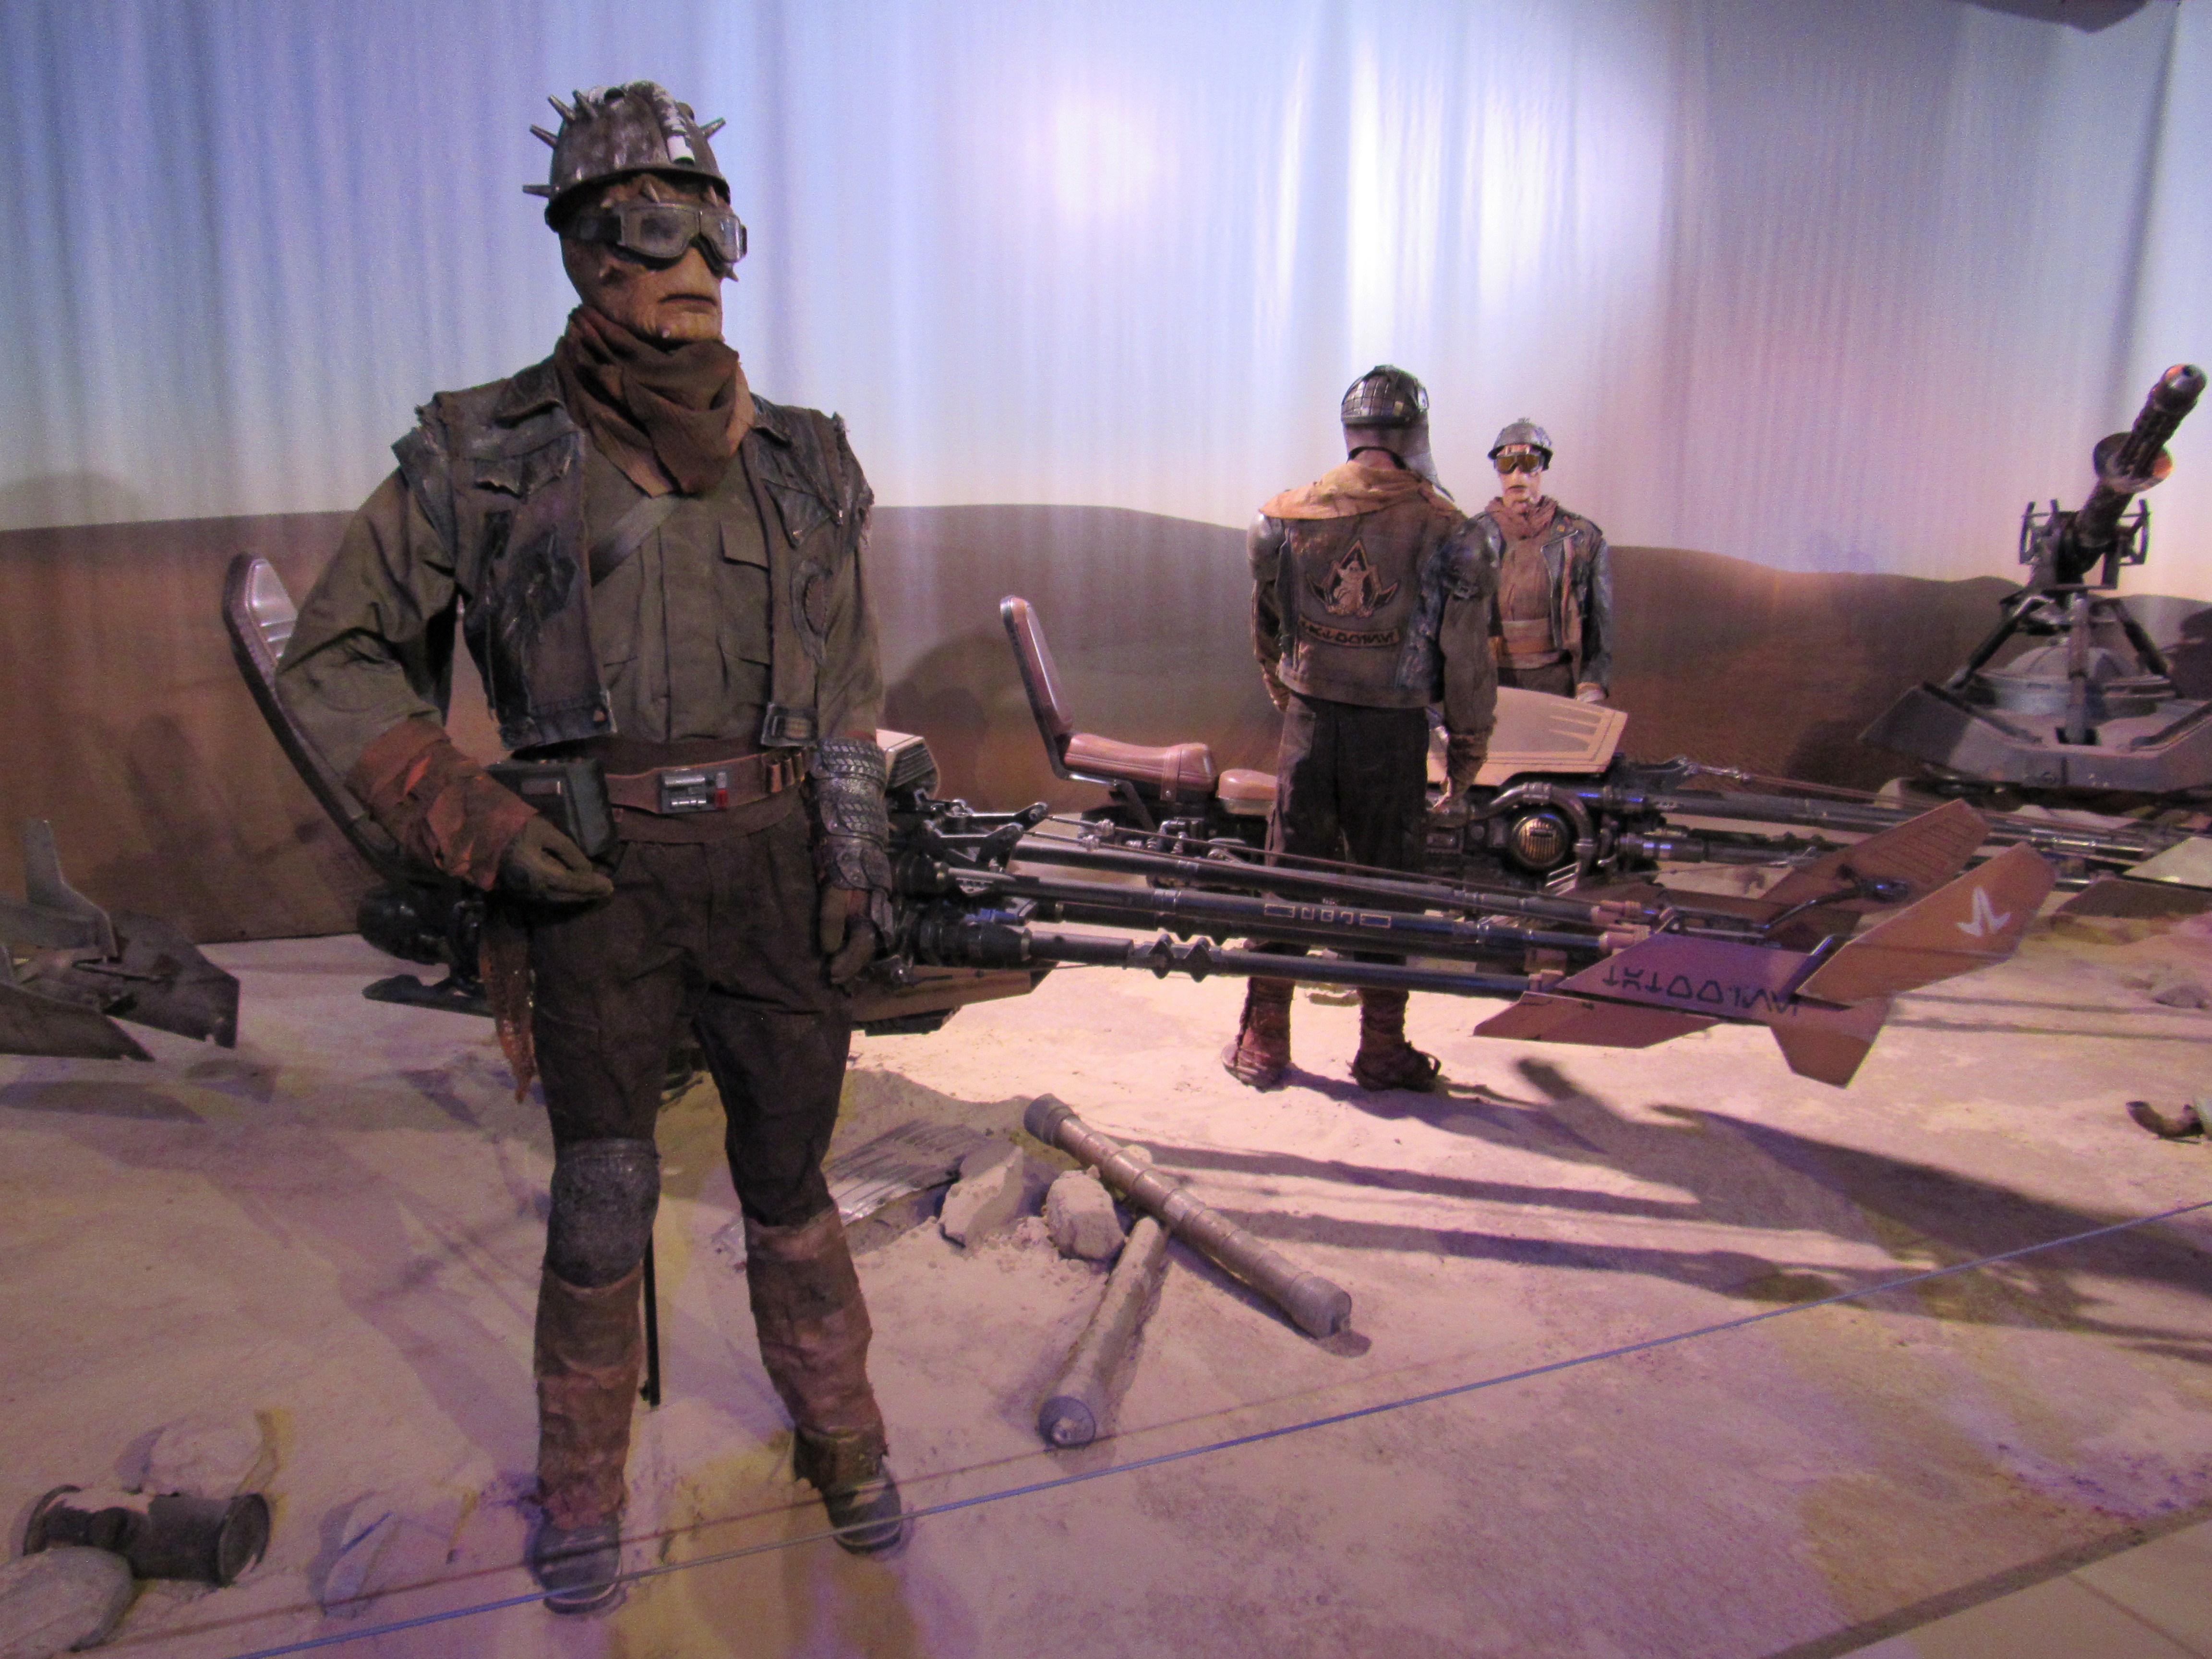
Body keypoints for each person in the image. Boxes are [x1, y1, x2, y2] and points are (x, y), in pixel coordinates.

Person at [276, 82, 902, 1612]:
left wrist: (854, 860)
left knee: (790, 1182)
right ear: (580, 251)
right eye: (646, 231)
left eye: (712, 232)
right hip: (592, 890)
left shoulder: (808, 462)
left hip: (771, 882)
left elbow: (844, 690)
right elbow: (335, 657)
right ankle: (579, 1488)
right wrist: (474, 821)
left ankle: (843, 1435)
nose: (688, 264)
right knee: (605, 1192)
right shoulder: (482, 456)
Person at [1225, 366, 1496, 1093]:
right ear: (1414, 435)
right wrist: (1467, 754)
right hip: (1392, 735)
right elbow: (1468, 662)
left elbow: (1268, 631)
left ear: (1351, 432)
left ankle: (1264, 1039)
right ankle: (1381, 1048)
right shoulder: (1452, 531)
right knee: (1390, 887)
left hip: (1310, 723)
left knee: (1288, 874)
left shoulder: (1284, 517)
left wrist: (1290, 698)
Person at [1469, 420, 1614, 702]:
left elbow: (1601, 618)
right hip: (1490, 678)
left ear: (1543, 467)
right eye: (1506, 464)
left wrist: (1592, 681)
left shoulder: (1580, 537)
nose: (1517, 475)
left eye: (1528, 463)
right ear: (1498, 471)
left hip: (1552, 678)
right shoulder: (1472, 536)